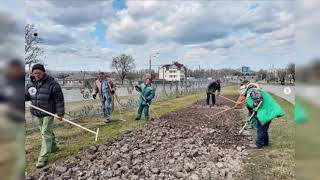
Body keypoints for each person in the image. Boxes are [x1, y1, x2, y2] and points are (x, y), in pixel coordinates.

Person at [25, 64, 65, 168]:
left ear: (44, 73)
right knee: (46, 131)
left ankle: (43, 158)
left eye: (39, 73)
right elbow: (26, 96)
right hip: (36, 113)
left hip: (48, 113)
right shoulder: (30, 84)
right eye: (35, 73)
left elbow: (59, 99)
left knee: (45, 133)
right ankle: (53, 147)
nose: (37, 75)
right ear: (32, 73)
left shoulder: (52, 84)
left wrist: (60, 113)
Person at [0, 59, 25, 179]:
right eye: (12, 69)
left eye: (17, 69)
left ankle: (19, 168)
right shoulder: (6, 83)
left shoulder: (22, 83)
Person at [240, 82, 285, 148]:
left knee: (261, 127)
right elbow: (254, 106)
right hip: (267, 111)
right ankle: (265, 142)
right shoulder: (255, 91)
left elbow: (259, 100)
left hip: (266, 111)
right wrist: (250, 116)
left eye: (242, 93)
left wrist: (255, 106)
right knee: (263, 127)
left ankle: (259, 144)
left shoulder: (252, 91)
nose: (243, 94)